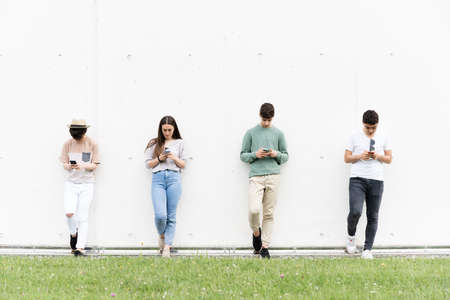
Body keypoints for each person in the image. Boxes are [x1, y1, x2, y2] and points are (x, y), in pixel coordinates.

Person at [240, 103, 289, 259]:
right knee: (254, 210)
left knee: (268, 213)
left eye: (269, 120)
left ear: (272, 118)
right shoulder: (251, 133)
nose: (266, 123)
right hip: (256, 176)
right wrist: (256, 154)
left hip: (273, 175)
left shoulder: (279, 134)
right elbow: (243, 155)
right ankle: (256, 233)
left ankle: (265, 247)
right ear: (260, 115)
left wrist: (275, 154)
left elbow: (285, 156)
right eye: (264, 119)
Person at [344, 110, 393, 259]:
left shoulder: (383, 136)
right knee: (355, 211)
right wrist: (360, 156)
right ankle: (351, 237)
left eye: (374, 128)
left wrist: (377, 156)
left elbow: (389, 158)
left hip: (376, 180)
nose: (371, 130)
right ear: (362, 124)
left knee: (373, 215)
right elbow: (346, 158)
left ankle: (367, 249)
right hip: (357, 179)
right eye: (367, 127)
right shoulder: (354, 136)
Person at [144, 116, 188, 258]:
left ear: (174, 129)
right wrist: (159, 159)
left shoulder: (180, 143)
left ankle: (167, 247)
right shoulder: (155, 143)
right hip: (158, 179)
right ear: (160, 129)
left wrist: (173, 157)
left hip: (174, 178)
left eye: (169, 130)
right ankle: (162, 236)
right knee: (160, 215)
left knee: (171, 215)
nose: (167, 133)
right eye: (164, 130)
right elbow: (147, 164)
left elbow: (184, 164)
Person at [60, 119, 100, 256]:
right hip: (71, 183)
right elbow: (64, 163)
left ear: (84, 131)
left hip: (87, 184)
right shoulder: (67, 144)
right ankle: (73, 234)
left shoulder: (92, 144)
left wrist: (82, 165)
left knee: (83, 217)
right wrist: (69, 166)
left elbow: (95, 164)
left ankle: (80, 247)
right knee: (69, 213)